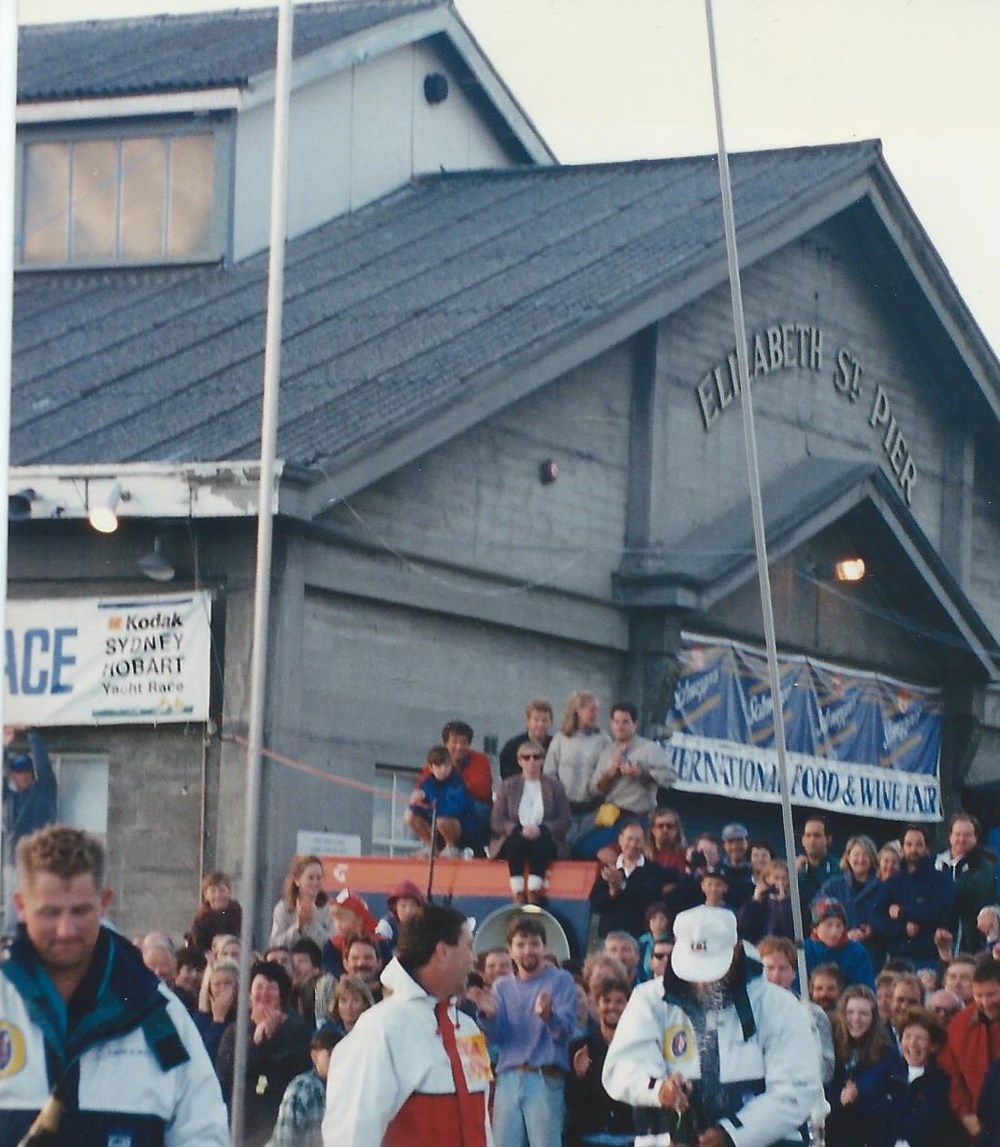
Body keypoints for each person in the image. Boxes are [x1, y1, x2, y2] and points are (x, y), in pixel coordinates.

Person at [0, 824, 229, 1145]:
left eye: (80, 911)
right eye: (50, 912)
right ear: (22, 906)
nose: (66, 929)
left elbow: (203, 1130)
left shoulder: (154, 1013)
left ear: (104, 902)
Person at [602, 904, 823, 1147]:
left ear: (737, 952)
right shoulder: (649, 999)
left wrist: (730, 1134)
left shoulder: (778, 1005)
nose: (703, 982)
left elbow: (796, 1090)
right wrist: (659, 1089)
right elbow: (621, 1068)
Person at [323, 903, 492, 1145]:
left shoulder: (468, 1029)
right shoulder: (379, 1029)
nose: (474, 959)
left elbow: (481, 1120)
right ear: (442, 951)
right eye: (468, 947)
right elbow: (351, 1133)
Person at [469, 912, 577, 1147]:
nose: (528, 950)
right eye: (521, 944)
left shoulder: (561, 981)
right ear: (510, 950)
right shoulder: (502, 986)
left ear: (544, 946)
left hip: (545, 1078)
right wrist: (488, 1015)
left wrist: (549, 1016)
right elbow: (497, 1037)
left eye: (534, 944)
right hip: (508, 1078)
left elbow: (565, 1032)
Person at [216, 959, 315, 1147]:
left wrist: (272, 1038)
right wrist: (257, 1040)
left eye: (271, 988)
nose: (264, 994)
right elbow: (226, 1071)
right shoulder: (234, 1031)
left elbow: (295, 1069)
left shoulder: (298, 1030)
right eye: (258, 987)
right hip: (241, 1128)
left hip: (280, 1127)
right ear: (249, 993)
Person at [584, 701, 677, 863]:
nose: (620, 726)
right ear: (611, 724)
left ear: (635, 725)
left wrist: (641, 774)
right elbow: (595, 789)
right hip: (610, 816)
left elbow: (669, 778)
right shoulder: (607, 753)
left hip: (637, 816)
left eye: (625, 722)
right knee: (581, 849)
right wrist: (610, 773)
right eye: (616, 722)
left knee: (600, 852)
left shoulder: (649, 749)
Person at [488, 738, 571, 904]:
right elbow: (497, 820)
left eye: (536, 757)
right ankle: (518, 890)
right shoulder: (507, 786)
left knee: (541, 841)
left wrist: (544, 828)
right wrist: (518, 828)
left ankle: (534, 889)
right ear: (519, 761)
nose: (532, 761)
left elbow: (565, 819)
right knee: (516, 841)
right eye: (526, 757)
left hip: (545, 835)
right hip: (516, 835)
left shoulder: (555, 787)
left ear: (542, 760)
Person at [823, 984, 897, 1147]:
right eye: (850, 1012)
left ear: (873, 1017)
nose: (856, 1019)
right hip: (835, 1125)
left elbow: (879, 1076)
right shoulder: (832, 1044)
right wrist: (841, 1096)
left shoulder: (886, 1048)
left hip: (870, 1127)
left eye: (863, 1013)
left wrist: (858, 1089)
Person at [565, 974, 634, 1146]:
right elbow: (572, 1102)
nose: (612, 1007)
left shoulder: (638, 1048)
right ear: (596, 1006)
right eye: (607, 1001)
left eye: (619, 1001)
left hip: (628, 1136)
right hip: (590, 1137)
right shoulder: (580, 1047)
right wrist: (580, 1076)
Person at [865, 1007, 951, 1147]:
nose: (912, 1043)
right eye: (908, 1036)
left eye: (920, 1038)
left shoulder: (941, 1081)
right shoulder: (889, 1076)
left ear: (933, 1045)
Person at [938, 954, 1000, 1142]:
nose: (985, 1002)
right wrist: (966, 1115)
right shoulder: (960, 1024)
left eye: (992, 994)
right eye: (979, 995)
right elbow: (951, 1075)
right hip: (977, 1130)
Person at [874, 824, 954, 968]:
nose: (913, 849)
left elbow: (940, 912)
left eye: (918, 844)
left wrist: (902, 912)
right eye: (909, 844)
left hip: (930, 958)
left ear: (927, 848)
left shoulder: (940, 879)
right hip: (897, 958)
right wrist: (902, 930)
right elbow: (877, 916)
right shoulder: (893, 882)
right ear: (902, 848)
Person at [758, 935, 834, 1084]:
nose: (776, 975)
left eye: (783, 968)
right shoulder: (748, 1014)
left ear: (793, 973)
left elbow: (825, 1070)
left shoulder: (814, 1014)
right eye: (770, 968)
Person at [544, 691, 612, 857]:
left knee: (584, 850)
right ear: (578, 710)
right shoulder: (560, 739)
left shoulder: (602, 739)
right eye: (591, 709)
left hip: (592, 806)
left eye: (596, 710)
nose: (595, 714)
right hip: (566, 807)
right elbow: (549, 772)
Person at [2, 725, 56, 933]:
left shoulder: (45, 791)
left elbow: (44, 766)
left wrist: (32, 733)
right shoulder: (8, 798)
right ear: (12, 776)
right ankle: (12, 952)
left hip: (42, 860)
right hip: (14, 863)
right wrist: (5, 745)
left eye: (27, 772)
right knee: (13, 913)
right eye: (18, 773)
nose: (23, 776)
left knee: (43, 908)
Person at [412, 720, 494, 853]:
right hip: (444, 811)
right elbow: (421, 786)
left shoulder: (480, 760)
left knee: (479, 809)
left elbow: (481, 790)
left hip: (468, 812)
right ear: (446, 744)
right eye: (454, 742)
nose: (459, 747)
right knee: (412, 813)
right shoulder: (436, 761)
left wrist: (447, 791)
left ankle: (469, 848)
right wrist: (419, 795)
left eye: (463, 742)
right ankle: (431, 846)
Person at [589, 820, 672, 938]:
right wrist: (612, 892)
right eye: (629, 839)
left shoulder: (653, 869)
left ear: (644, 843)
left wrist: (622, 886)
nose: (633, 844)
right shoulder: (609, 869)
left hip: (640, 937)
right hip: (609, 936)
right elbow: (596, 904)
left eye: (637, 840)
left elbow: (650, 897)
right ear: (620, 840)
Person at [934, 812, 996, 954]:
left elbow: (976, 895)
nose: (961, 839)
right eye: (957, 834)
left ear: (975, 838)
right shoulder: (935, 861)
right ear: (950, 836)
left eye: (967, 835)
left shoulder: (984, 864)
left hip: (968, 937)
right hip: (934, 935)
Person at [268, 1026, 341, 1147]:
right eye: (330, 1055)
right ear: (315, 1056)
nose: (336, 1060)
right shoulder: (300, 1089)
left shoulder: (351, 1088)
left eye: (340, 1055)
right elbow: (284, 1139)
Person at [405, 744, 480, 857]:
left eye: (446, 765)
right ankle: (430, 846)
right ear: (431, 768)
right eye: (438, 766)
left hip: (462, 830)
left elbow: (453, 810)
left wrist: (428, 802)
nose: (443, 769)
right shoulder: (427, 784)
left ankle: (452, 847)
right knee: (409, 815)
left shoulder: (457, 784)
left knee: (442, 820)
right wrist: (416, 802)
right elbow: (418, 810)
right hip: (437, 827)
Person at [819, 834, 882, 966]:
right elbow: (817, 910)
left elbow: (885, 917)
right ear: (848, 857)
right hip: (837, 951)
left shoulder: (881, 886)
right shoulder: (833, 885)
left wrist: (871, 929)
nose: (860, 859)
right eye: (856, 854)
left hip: (870, 953)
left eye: (865, 854)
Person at [804, 897, 876, 989]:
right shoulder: (804, 950)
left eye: (839, 925)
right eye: (829, 925)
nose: (834, 932)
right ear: (815, 928)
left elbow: (865, 987)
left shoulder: (857, 952)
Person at [271, 854, 333, 949]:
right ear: (297, 880)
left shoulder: (330, 909)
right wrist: (297, 927)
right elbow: (275, 945)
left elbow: (331, 945)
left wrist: (312, 925)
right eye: (310, 878)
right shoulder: (283, 908)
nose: (315, 882)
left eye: (319, 878)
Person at [186, 869, 243, 954]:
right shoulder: (201, 919)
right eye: (213, 891)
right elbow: (198, 946)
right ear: (206, 895)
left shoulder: (238, 914)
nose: (218, 895)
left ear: (229, 892)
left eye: (222, 890)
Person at [738, 859, 794, 944]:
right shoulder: (759, 902)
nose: (780, 883)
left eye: (784, 879)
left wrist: (783, 903)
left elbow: (789, 929)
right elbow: (744, 926)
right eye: (776, 878)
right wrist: (755, 900)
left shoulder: (794, 904)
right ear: (767, 879)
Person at [499, 698, 554, 781]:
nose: (540, 724)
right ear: (528, 721)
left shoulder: (555, 745)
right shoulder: (511, 748)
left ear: (550, 723)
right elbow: (507, 777)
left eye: (544, 720)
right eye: (536, 720)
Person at [796, 816, 839, 918]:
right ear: (802, 840)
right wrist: (794, 873)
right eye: (808, 835)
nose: (812, 840)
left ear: (828, 839)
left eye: (817, 835)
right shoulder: (796, 867)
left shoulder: (838, 867)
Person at [375, 878, 426, 951]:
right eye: (403, 905)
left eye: (413, 905)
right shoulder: (386, 925)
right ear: (395, 907)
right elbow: (379, 952)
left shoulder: (425, 926)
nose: (408, 910)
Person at [720, 822, 755, 909]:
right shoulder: (717, 870)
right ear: (724, 845)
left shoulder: (756, 870)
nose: (735, 846)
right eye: (730, 842)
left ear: (747, 842)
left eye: (739, 841)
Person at [648, 807, 687, 877]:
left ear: (676, 830)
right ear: (653, 830)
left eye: (669, 826)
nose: (665, 830)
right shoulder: (644, 855)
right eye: (660, 826)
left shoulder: (685, 855)